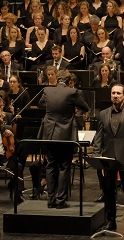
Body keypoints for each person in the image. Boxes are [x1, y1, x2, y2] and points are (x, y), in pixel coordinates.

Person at [92, 84, 124, 234]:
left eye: (118, 93)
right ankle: (110, 221)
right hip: (108, 157)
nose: (115, 95)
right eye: (113, 93)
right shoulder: (103, 114)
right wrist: (97, 156)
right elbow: (99, 137)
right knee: (109, 191)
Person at [38, 70, 90, 209]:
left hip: (49, 133)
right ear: (68, 82)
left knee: (51, 164)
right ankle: (60, 200)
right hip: (65, 134)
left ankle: (51, 200)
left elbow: (41, 104)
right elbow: (85, 107)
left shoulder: (47, 90)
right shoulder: (72, 92)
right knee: (63, 166)